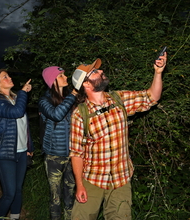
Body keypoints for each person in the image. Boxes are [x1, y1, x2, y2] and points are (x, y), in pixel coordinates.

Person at [69, 53, 167, 220]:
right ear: (86, 83)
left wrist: (158, 73)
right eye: (94, 72)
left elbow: (152, 97)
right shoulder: (80, 114)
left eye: (98, 69)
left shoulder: (119, 99)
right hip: (93, 178)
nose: (100, 72)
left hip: (121, 178)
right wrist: (79, 185)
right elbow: (76, 154)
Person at [0, 69, 34, 220]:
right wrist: (23, 93)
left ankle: (14, 217)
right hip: (5, 153)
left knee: (18, 190)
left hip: (22, 151)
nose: (9, 77)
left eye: (8, 75)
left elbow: (24, 126)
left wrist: (29, 147)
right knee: (9, 193)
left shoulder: (14, 98)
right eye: (4, 77)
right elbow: (16, 112)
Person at [38, 66, 77, 220]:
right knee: (55, 197)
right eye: (61, 76)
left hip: (72, 155)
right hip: (54, 156)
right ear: (52, 81)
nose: (66, 77)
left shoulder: (70, 98)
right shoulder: (44, 100)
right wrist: (72, 95)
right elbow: (56, 114)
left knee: (70, 195)